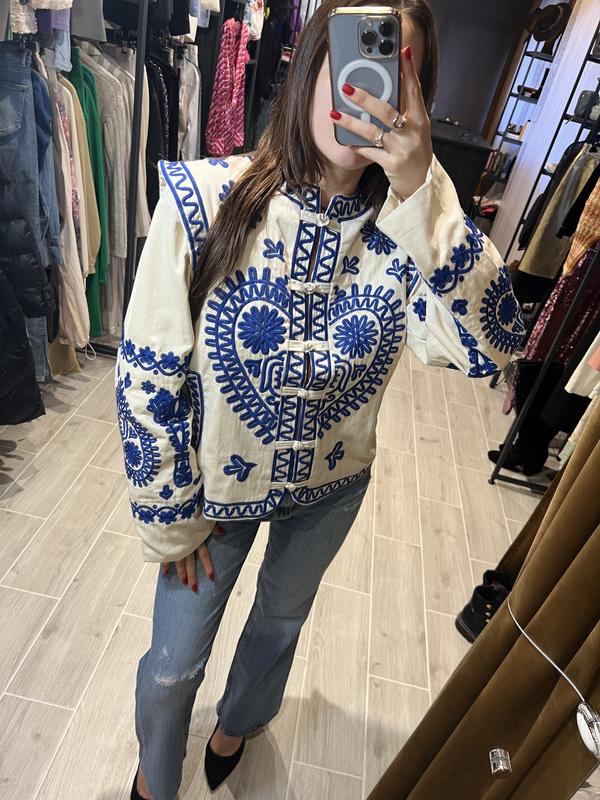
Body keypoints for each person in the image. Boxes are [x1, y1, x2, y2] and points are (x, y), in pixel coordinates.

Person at [118, 1, 525, 797]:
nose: (362, 89)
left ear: (416, 96)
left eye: (394, 70)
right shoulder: (204, 198)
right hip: (213, 489)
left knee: (280, 622)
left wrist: (424, 190)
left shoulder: (409, 233)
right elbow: (147, 369)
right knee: (171, 668)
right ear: (309, 64)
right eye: (348, 58)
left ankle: (241, 721)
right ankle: (155, 776)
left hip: (332, 485)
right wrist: (168, 512)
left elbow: (493, 344)